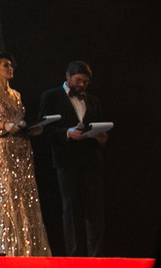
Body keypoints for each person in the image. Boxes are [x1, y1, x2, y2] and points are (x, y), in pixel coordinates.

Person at [0, 52, 50, 256]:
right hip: (5, 148)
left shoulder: (16, 94)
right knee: (11, 195)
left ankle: (32, 249)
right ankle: (14, 250)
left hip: (23, 147)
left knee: (28, 196)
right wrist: (4, 125)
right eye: (5, 65)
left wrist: (32, 129)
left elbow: (20, 122)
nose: (10, 68)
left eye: (11, 65)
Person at [38, 60, 107, 256]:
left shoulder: (93, 101)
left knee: (94, 211)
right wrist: (66, 133)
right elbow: (42, 129)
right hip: (67, 161)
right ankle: (74, 257)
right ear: (68, 76)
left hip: (91, 161)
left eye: (85, 81)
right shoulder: (51, 96)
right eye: (78, 80)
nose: (82, 85)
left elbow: (98, 127)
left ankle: (96, 257)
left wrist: (101, 137)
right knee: (71, 209)